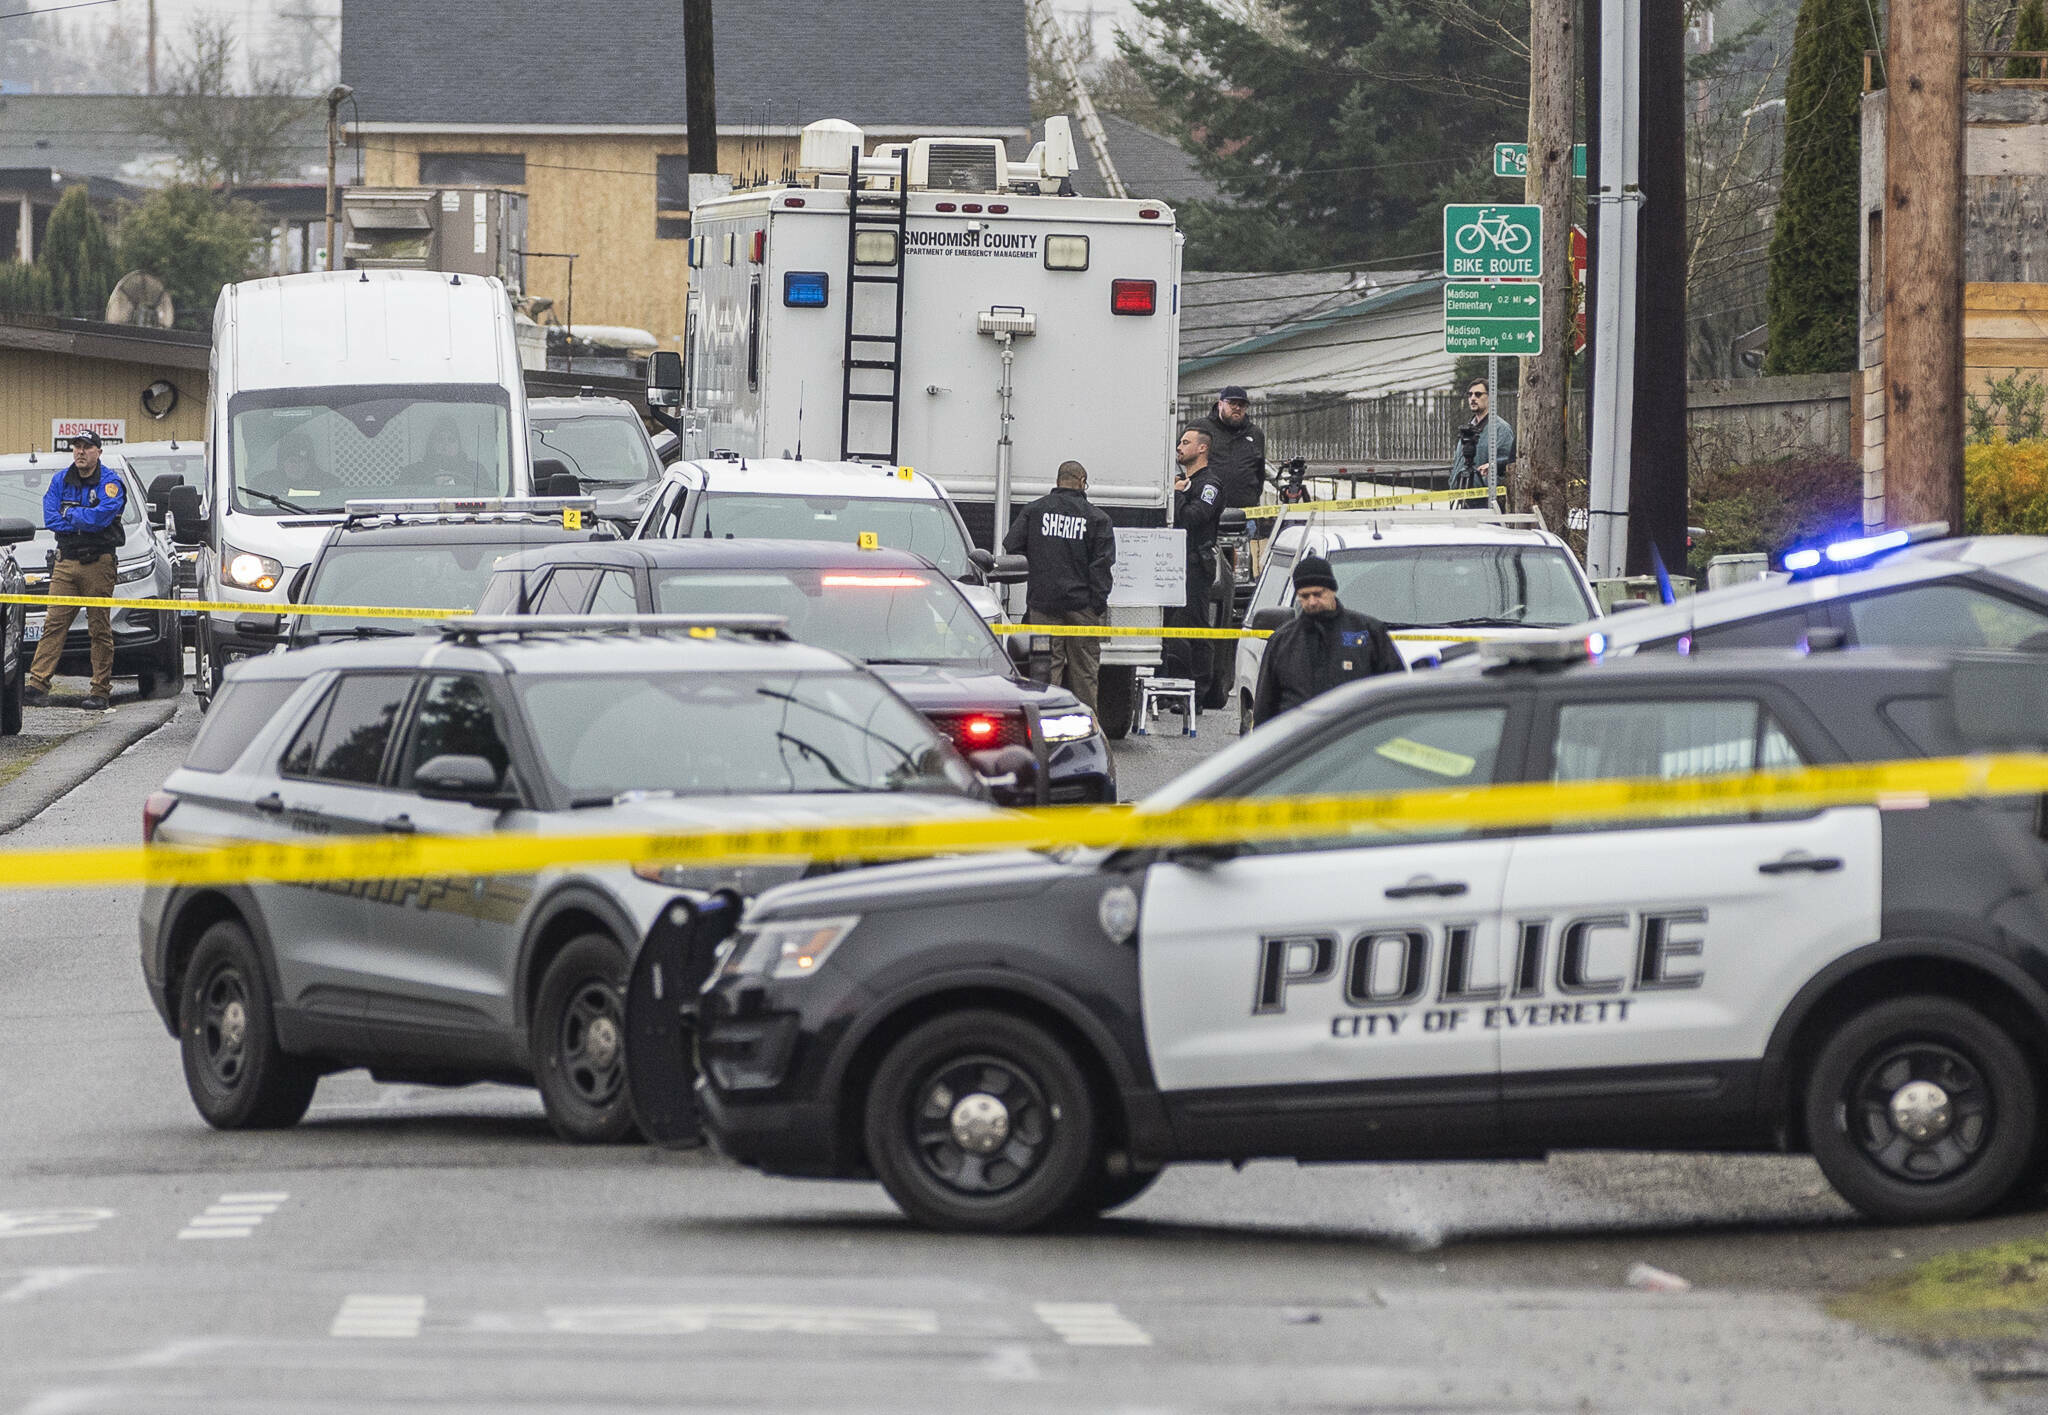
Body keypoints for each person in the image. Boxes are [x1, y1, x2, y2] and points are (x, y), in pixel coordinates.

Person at [23, 431, 125, 712]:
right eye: (77, 447)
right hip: (65, 563)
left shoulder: (111, 482)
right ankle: (37, 685)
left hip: (99, 563)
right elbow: (52, 518)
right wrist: (81, 518)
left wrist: (72, 515)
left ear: (98, 452)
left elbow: (102, 518)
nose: (80, 452)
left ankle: (100, 691)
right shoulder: (60, 480)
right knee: (54, 623)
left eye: (87, 447)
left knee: (99, 628)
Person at [1003, 460, 1116, 712]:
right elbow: (1102, 565)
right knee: (1085, 671)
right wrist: (1097, 604)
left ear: (1057, 481)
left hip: (1043, 604)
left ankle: (1044, 723)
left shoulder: (1034, 511)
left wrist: (1039, 566)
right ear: (1082, 482)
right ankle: (1086, 726)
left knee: (1045, 669)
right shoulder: (1097, 518)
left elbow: (1012, 545)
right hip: (1083, 606)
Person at [1251, 554, 1403, 726]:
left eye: (1318, 594)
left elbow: (1397, 694)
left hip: (1357, 741)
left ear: (1332, 590)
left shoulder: (1368, 632)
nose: (1312, 602)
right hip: (1300, 744)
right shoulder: (1283, 641)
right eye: (1305, 596)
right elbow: (1265, 708)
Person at [1164, 426, 1223, 706]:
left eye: (1185, 442)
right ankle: (1168, 688)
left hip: (1196, 565)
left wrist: (1178, 495)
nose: (1179, 446)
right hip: (1173, 562)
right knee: (1169, 627)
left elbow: (1194, 517)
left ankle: (1198, 693)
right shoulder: (1183, 481)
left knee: (1196, 626)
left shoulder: (1209, 484)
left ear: (1202, 448)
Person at [1190, 384, 1268, 509]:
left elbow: (1260, 472)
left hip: (1245, 513)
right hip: (1207, 510)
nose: (1237, 408)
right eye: (1232, 403)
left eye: (1242, 405)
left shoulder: (1255, 433)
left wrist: (1252, 497)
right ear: (1220, 404)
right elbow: (1181, 459)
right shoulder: (1200, 428)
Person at [1449, 377, 1516, 495]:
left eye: (1478, 394)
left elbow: (1509, 463)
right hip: (1460, 495)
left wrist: (1486, 477)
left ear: (1490, 397)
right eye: (1470, 395)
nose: (1473, 398)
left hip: (1484, 498)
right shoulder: (1468, 430)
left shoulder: (1501, 429)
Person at [409, 417, 489, 493]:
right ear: (432, 444)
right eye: (440, 439)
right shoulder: (414, 472)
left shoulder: (475, 471)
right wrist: (432, 484)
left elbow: (490, 497)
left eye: (451, 440)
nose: (445, 445)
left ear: (459, 445)